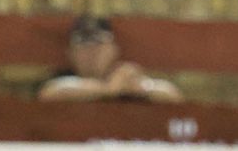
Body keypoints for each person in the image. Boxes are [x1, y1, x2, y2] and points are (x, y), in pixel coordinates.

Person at [37, 17, 184, 104]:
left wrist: (141, 87)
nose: (91, 51)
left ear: (114, 50)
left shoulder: (126, 80)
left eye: (99, 43)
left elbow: (172, 95)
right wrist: (109, 89)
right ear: (70, 53)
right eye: (83, 44)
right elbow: (50, 93)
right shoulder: (62, 79)